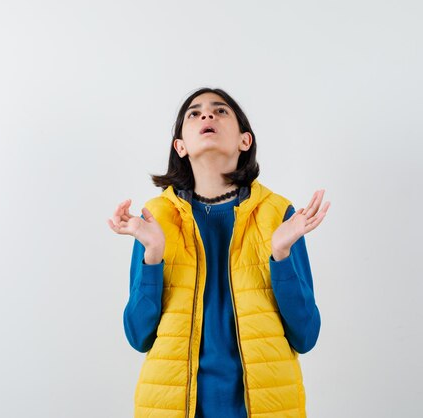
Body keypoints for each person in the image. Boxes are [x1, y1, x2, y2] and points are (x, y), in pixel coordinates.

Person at [107, 87, 330, 418]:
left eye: (220, 111)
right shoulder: (156, 219)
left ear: (245, 140)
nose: (206, 116)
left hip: (265, 408)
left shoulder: (279, 215)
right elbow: (138, 335)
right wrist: (153, 252)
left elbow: (306, 335)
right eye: (194, 113)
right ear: (180, 146)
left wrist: (280, 253)